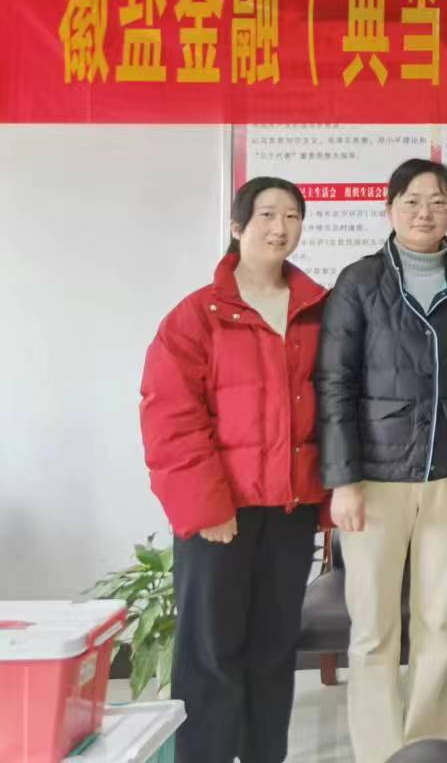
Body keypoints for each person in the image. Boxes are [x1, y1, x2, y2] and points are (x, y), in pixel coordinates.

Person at [139, 177, 326, 763]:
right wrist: (208, 508)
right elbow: (171, 418)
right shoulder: (197, 315)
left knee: (273, 652)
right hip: (222, 515)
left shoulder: (316, 311)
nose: (280, 227)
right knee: (211, 655)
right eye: (267, 214)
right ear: (237, 226)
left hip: (289, 513)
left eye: (292, 216)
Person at [315, 159, 447, 763]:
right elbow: (333, 384)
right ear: (389, 208)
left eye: (438, 201)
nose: (425, 212)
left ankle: (425, 748)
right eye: (412, 201)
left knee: (441, 624)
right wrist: (343, 482)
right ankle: (379, 751)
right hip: (375, 482)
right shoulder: (359, 281)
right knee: (374, 629)